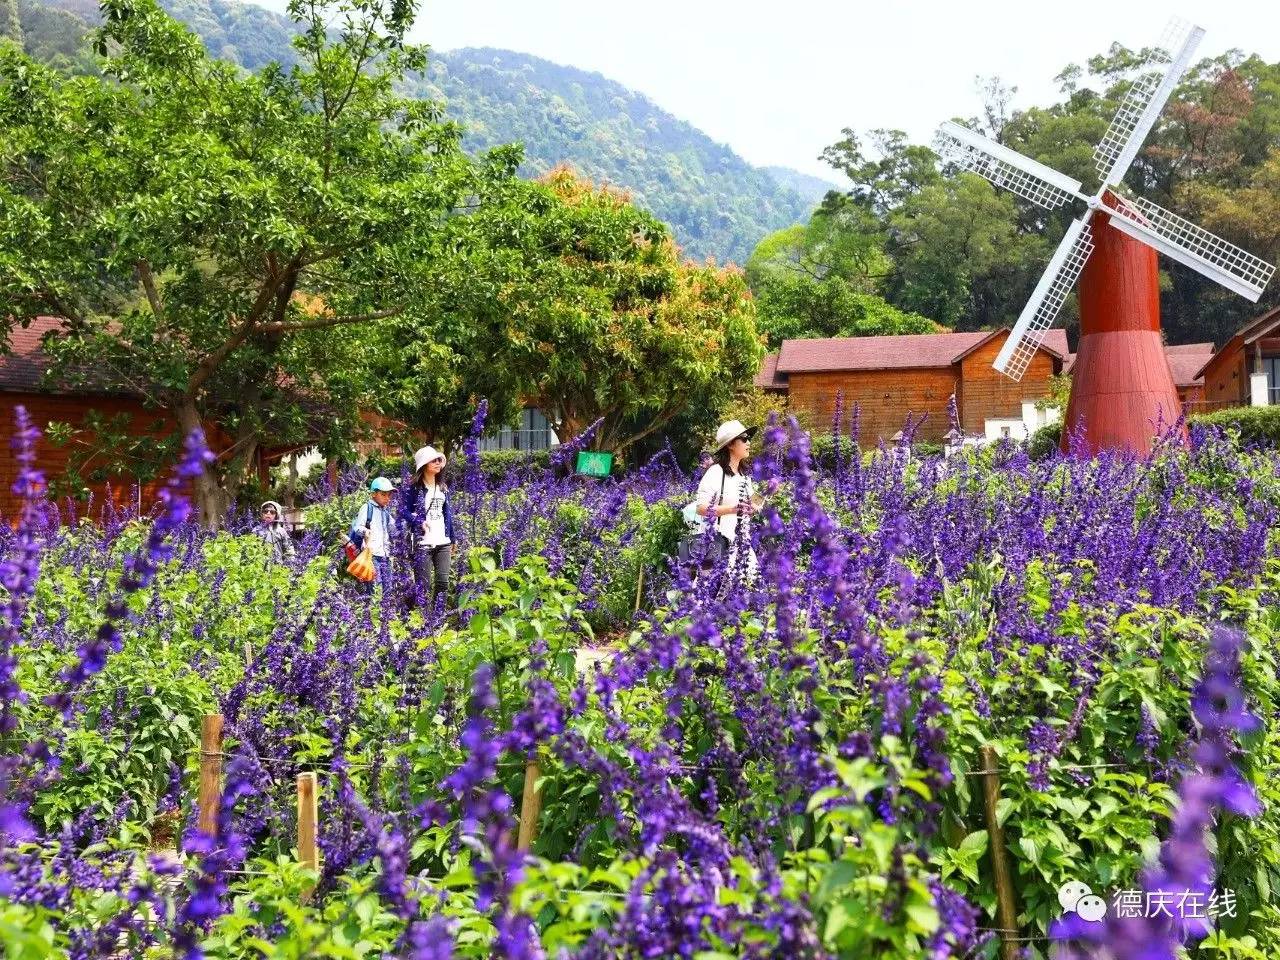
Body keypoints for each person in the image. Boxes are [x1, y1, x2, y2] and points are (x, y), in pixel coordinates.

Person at [695, 420, 759, 585]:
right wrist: (732, 509)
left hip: (742, 545)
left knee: (752, 591)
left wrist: (767, 493)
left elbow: (752, 504)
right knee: (707, 598)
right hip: (718, 544)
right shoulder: (715, 472)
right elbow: (701, 508)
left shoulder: (744, 475)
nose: (749, 442)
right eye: (744, 439)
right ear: (730, 444)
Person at [406, 445, 455, 609]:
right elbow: (402, 511)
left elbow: (448, 515)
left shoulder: (443, 488)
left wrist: (452, 539)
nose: (437, 462)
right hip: (422, 544)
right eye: (433, 460)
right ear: (424, 465)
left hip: (443, 542)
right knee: (423, 586)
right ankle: (423, 622)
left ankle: (438, 617)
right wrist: (418, 521)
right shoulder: (414, 488)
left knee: (443, 582)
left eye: (439, 459)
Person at [350, 477, 396, 593]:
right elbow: (357, 527)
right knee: (375, 588)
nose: (387, 498)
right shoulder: (367, 508)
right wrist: (366, 531)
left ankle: (385, 610)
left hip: (386, 555)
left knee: (388, 589)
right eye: (383, 494)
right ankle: (373, 610)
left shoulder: (386, 512)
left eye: (389, 495)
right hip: (372, 555)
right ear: (373, 494)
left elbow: (394, 528)